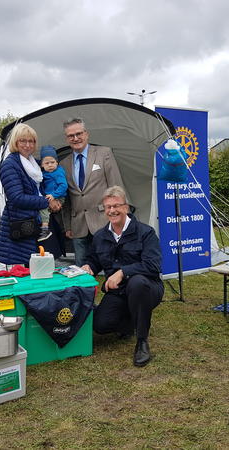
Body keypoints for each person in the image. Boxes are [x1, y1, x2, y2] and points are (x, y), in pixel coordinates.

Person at [81, 186, 164, 367]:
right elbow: (93, 259)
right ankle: (129, 323)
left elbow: (153, 265)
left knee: (137, 283)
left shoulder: (145, 232)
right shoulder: (100, 236)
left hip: (147, 288)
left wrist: (123, 272)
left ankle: (142, 341)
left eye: (116, 206)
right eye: (108, 207)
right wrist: (88, 267)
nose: (112, 211)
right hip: (118, 292)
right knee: (101, 325)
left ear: (126, 207)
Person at [60, 118, 125, 266]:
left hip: (104, 220)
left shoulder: (104, 153)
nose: (75, 138)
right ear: (67, 138)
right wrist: (68, 226)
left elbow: (116, 187)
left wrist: (119, 217)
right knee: (81, 270)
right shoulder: (63, 164)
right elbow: (67, 199)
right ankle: (83, 290)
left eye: (79, 133)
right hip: (78, 225)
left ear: (86, 134)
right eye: (71, 136)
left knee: (111, 265)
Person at [0, 123, 61, 266]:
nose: (27, 145)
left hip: (36, 221)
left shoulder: (35, 164)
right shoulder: (10, 165)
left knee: (42, 268)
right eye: (23, 141)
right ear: (15, 142)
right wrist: (46, 202)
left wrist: (56, 198)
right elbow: (17, 198)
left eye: (31, 141)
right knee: (27, 272)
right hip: (21, 225)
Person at [38, 145, 68, 242]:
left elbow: (63, 186)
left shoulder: (58, 173)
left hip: (58, 197)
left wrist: (54, 195)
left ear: (57, 163)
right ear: (42, 165)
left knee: (43, 208)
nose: (50, 165)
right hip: (50, 196)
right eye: (47, 163)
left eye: (52, 162)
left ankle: (45, 229)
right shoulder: (43, 174)